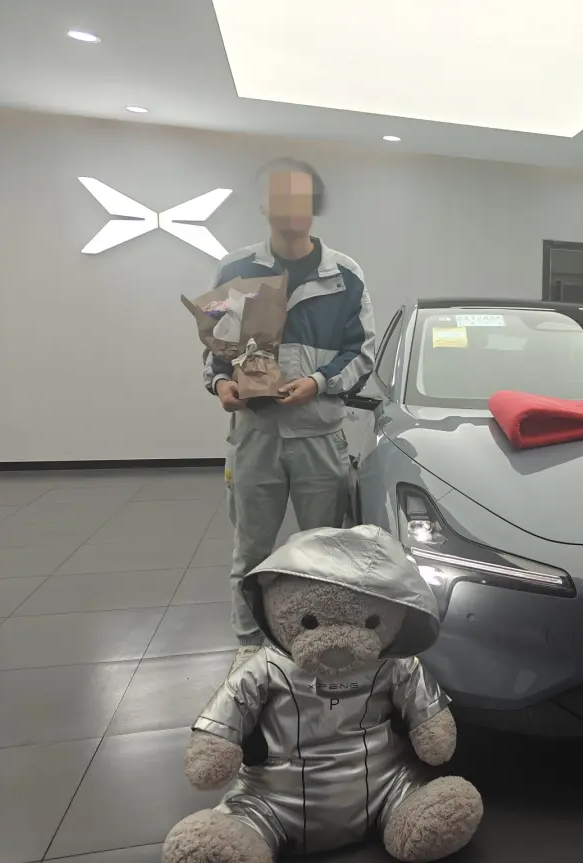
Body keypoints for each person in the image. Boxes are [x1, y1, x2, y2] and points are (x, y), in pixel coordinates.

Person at [203, 158, 377, 669]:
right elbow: (216, 347)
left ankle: (320, 646)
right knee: (251, 553)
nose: (290, 205)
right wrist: (221, 383)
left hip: (319, 437)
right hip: (255, 437)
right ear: (264, 205)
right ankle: (250, 651)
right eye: (280, 195)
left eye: (301, 196)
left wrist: (319, 383)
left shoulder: (344, 275)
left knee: (323, 553)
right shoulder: (236, 270)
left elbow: (362, 352)